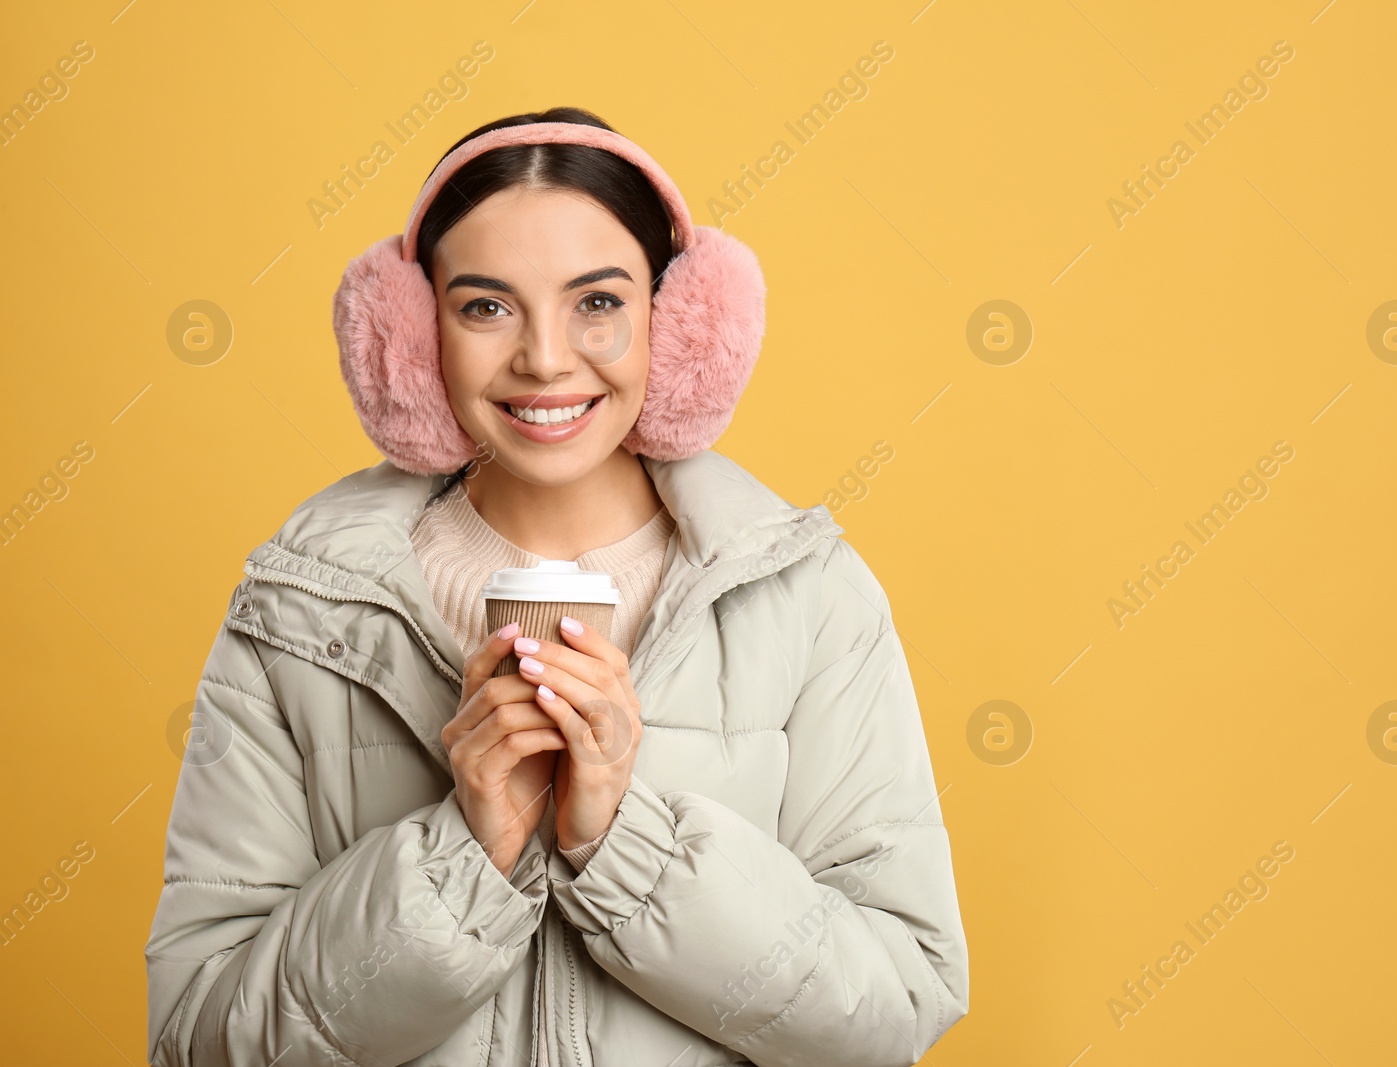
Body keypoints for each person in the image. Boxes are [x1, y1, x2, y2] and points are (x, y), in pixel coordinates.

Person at [145, 106, 968, 1067]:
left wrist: (626, 846)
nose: (543, 357)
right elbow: (201, 1042)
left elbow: (895, 1009)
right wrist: (462, 857)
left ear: (683, 324)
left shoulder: (806, 595)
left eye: (599, 301)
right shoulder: (301, 612)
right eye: (486, 306)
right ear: (410, 340)